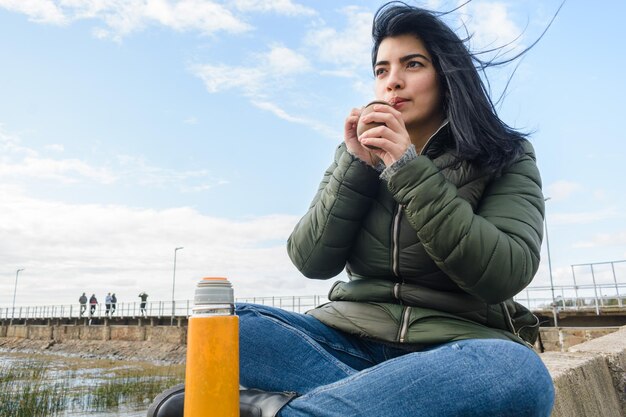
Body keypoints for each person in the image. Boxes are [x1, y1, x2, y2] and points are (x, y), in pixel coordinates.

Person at [148, 2, 555, 416]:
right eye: (381, 70)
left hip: (453, 350)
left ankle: (281, 410)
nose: (392, 82)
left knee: (519, 373)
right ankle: (371, 403)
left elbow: (506, 272)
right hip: (348, 343)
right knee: (235, 326)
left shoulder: (505, 153)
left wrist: (408, 170)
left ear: (447, 77)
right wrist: (355, 165)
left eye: (411, 65)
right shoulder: (358, 155)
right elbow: (310, 259)